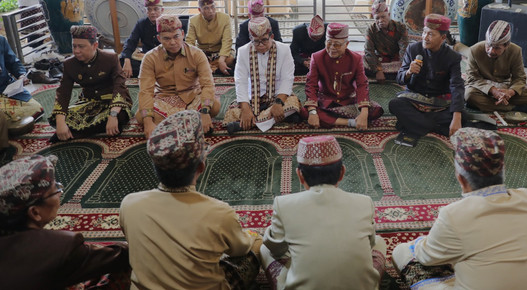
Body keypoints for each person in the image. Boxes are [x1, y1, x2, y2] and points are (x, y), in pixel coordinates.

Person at [120, 111, 261, 289]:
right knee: (256, 242)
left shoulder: (129, 203)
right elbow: (240, 249)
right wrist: (251, 235)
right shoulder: (219, 213)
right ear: (201, 166)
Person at [392, 128, 527, 289]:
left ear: (460, 178)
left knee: (403, 252)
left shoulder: (454, 215)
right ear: (503, 171)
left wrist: (422, 242)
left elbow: (426, 257)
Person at [261, 135, 386, 289]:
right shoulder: (364, 202)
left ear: (300, 175)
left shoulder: (284, 204)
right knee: (380, 242)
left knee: (263, 248)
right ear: (342, 172)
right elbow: (371, 243)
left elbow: (276, 248)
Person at [0, 154, 130, 289]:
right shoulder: (58, 247)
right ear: (35, 212)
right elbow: (121, 256)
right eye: (55, 189)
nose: (60, 192)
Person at [137, 15, 221, 139]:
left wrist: (204, 111)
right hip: (165, 98)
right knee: (141, 117)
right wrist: (148, 122)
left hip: (192, 97)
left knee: (214, 106)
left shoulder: (197, 54)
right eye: (166, 38)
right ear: (159, 38)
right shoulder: (150, 58)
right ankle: (191, 125)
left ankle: (170, 127)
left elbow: (207, 84)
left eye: (176, 37)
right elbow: (145, 91)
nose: (172, 42)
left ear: (182, 34)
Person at [389, 14, 464, 146]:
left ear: (443, 38)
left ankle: (413, 124)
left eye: (430, 34)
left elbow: (457, 86)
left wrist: (457, 117)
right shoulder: (413, 49)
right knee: (394, 104)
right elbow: (400, 79)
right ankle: (438, 128)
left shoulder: (453, 57)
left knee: (461, 113)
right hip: (415, 100)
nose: (425, 37)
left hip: (439, 103)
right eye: (424, 32)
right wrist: (408, 72)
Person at [50, 25, 132, 142]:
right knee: (56, 118)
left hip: (114, 103)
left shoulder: (110, 58)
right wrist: (60, 122)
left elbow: (120, 87)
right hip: (89, 102)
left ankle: (76, 132)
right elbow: (63, 93)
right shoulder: (69, 64)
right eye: (74, 46)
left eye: (81, 46)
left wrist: (113, 115)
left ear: (95, 45)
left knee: (119, 118)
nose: (76, 51)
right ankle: (82, 130)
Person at [223, 17, 300, 134]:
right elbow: (240, 82)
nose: (260, 45)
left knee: (293, 104)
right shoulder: (243, 51)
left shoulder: (284, 50)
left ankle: (248, 124)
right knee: (231, 114)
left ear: (272, 37)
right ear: (250, 39)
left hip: (277, 96)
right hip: (252, 98)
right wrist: (245, 109)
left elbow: (287, 79)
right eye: (256, 41)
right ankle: (270, 119)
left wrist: (278, 103)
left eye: (264, 40)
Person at [301, 23, 384, 130]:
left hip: (348, 101)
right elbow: (310, 86)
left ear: (347, 44)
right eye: (329, 43)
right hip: (326, 102)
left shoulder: (356, 58)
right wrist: (312, 112)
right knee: (305, 111)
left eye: (337, 45)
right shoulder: (317, 57)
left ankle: (332, 120)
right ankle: (350, 122)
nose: (331, 48)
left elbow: (362, 85)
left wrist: (364, 112)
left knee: (376, 109)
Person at [465, 20, 527, 113]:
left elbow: (520, 78)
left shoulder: (515, 51)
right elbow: (472, 78)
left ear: (506, 46)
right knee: (469, 95)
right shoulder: (474, 50)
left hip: (504, 87)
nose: (491, 51)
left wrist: (510, 92)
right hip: (483, 88)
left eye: (496, 48)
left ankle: (484, 104)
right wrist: (492, 91)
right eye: (488, 45)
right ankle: (512, 108)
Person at [120, 0, 169, 78]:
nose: (152, 12)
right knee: (122, 61)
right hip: (146, 58)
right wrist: (127, 60)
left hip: (165, 57)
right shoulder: (141, 23)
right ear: (146, 11)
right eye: (149, 9)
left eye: (156, 9)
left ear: (162, 10)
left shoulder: (169, 22)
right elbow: (131, 42)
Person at [185, 0, 235, 75]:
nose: (211, 11)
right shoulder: (193, 21)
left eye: (212, 7)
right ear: (199, 10)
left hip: (220, 53)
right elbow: (190, 43)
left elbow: (227, 41)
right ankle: (214, 69)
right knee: (187, 61)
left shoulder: (224, 18)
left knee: (230, 59)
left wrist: (222, 60)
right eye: (206, 8)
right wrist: (199, 59)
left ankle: (205, 69)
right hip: (203, 54)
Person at [0, 35, 44, 123]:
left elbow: (13, 62)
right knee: (5, 118)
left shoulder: (1, 40)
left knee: (36, 109)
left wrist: (21, 75)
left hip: (6, 88)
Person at [364, 0, 409, 83]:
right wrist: (378, 70)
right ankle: (391, 75)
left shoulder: (400, 27)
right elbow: (369, 51)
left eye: (383, 17)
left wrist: (404, 68)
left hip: (397, 59)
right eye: (377, 18)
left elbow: (404, 49)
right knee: (361, 62)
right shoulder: (370, 30)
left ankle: (396, 74)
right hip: (380, 59)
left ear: (389, 15)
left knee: (412, 63)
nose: (380, 20)